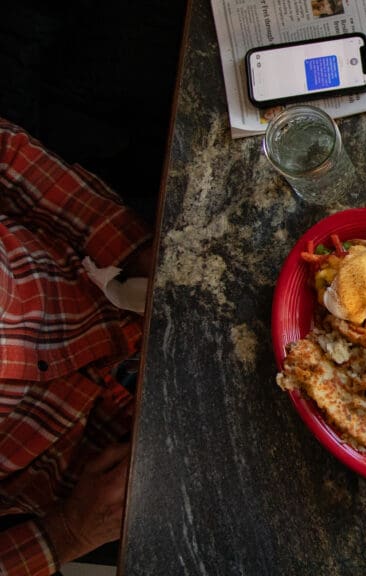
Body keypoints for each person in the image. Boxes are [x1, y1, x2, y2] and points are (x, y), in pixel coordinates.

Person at [0, 118, 152, 576]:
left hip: (109, 281)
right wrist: (66, 534)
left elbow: (6, 152)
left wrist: (132, 249)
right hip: (96, 465)